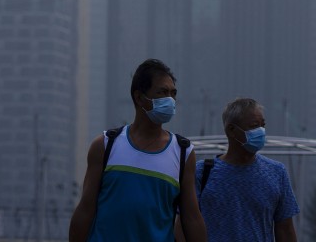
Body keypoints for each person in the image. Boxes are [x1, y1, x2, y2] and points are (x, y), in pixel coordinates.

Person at [69, 58, 207, 242]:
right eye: (162, 92)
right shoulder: (105, 145)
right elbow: (85, 210)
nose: (171, 100)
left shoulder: (183, 153)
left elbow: (192, 218)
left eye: (173, 93)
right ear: (139, 97)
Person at [194, 97, 299, 242]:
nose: (261, 131)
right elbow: (183, 223)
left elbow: (285, 229)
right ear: (232, 130)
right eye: (254, 126)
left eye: (263, 125)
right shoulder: (202, 172)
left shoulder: (277, 172)